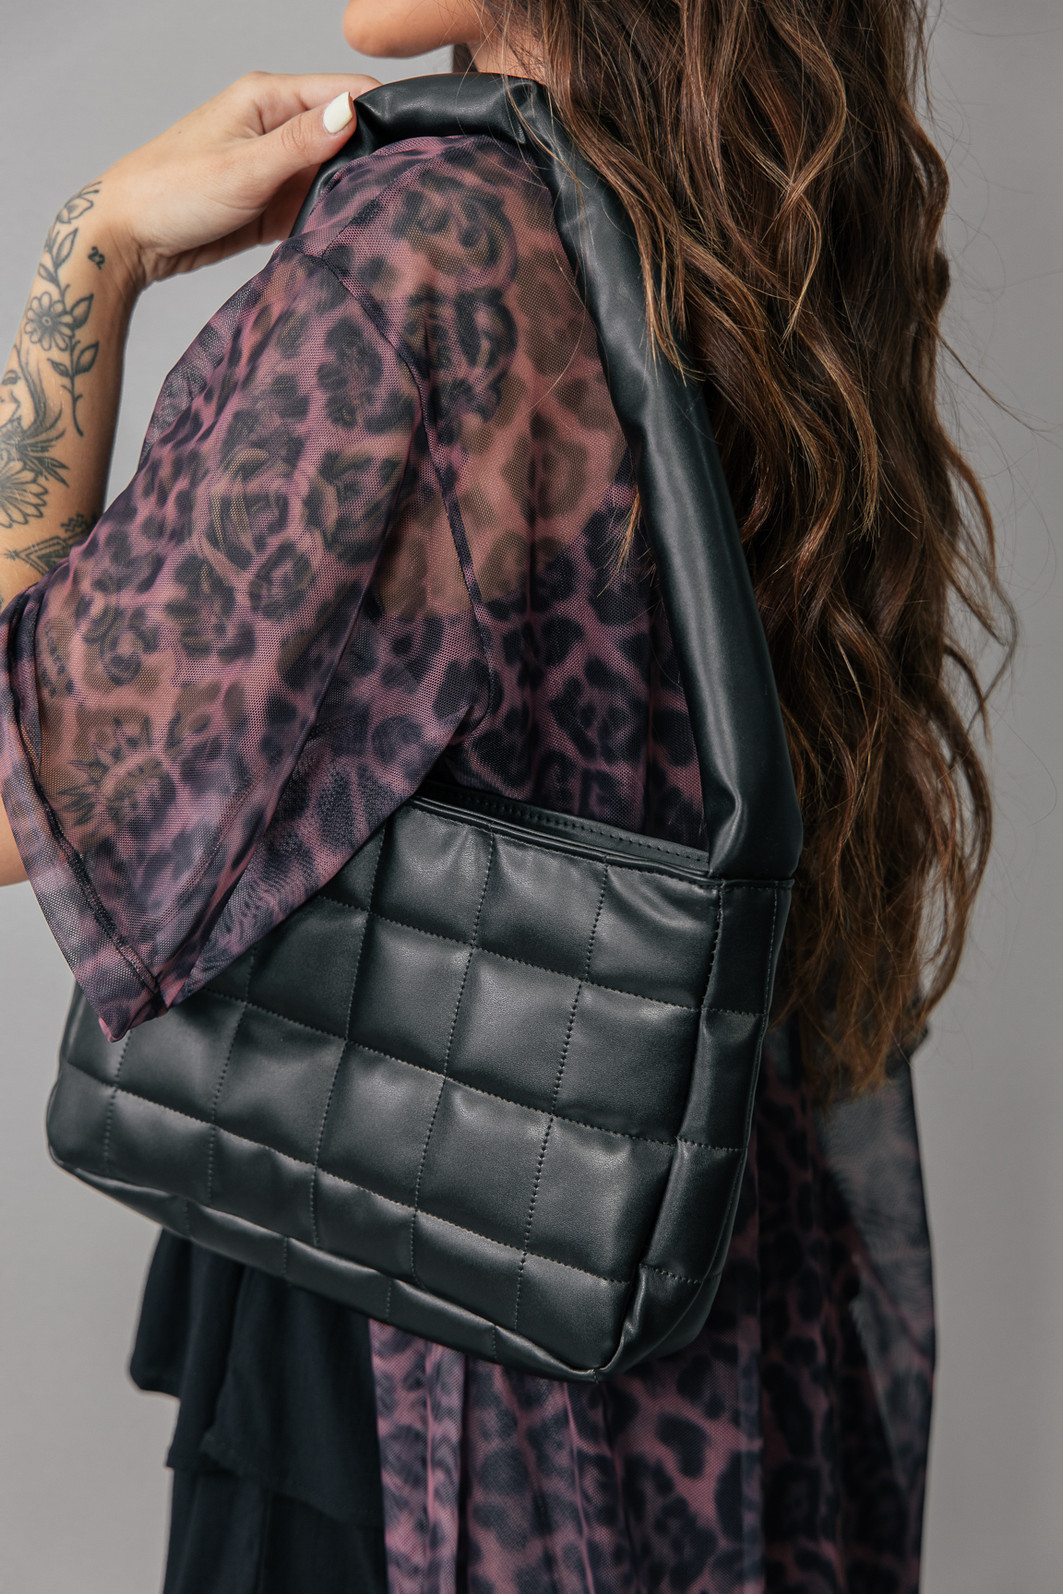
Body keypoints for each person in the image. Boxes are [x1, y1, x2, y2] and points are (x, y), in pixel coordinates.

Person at [0, 0, 1014, 1589]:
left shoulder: (420, 256)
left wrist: (94, 248)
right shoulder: (764, 231)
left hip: (424, 1379)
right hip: (713, 1318)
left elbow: (21, 789)